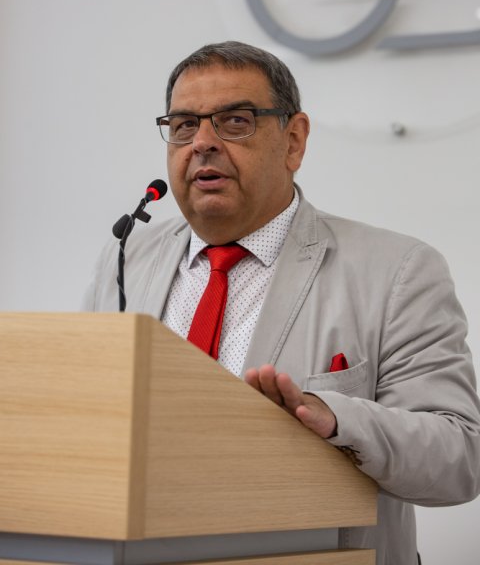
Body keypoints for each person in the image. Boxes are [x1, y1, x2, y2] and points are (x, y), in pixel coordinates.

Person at [83, 41, 480, 565]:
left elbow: (459, 458)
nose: (202, 143)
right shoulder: (126, 258)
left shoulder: (397, 270)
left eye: (235, 121)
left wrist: (337, 419)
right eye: (183, 125)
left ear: (293, 141)